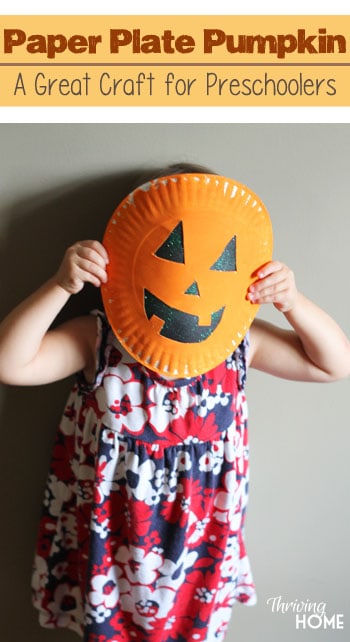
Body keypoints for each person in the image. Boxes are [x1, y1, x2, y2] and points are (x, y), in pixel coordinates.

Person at [0, 163, 349, 642]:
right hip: (111, 548)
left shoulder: (240, 343)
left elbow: (334, 364)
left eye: (218, 261)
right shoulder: (97, 339)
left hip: (198, 550)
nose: (191, 286)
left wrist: (292, 302)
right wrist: (62, 284)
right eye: (171, 254)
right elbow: (11, 364)